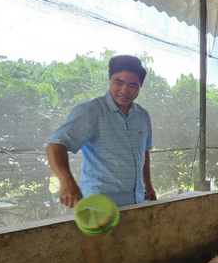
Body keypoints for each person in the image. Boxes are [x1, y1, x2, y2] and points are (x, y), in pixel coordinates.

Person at [46, 55, 156, 208]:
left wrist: (148, 184)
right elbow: (56, 146)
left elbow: (144, 152)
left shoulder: (142, 116)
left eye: (133, 85)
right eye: (118, 82)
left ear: (139, 87)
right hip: (99, 206)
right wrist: (66, 182)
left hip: (135, 202)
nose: (124, 90)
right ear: (110, 79)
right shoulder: (92, 111)